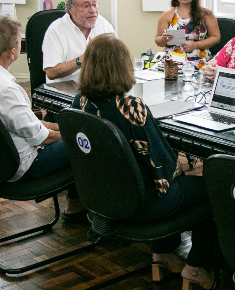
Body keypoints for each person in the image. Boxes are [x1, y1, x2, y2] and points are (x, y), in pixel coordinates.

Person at [73, 33, 215, 289]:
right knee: (213, 185)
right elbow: (164, 168)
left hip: (106, 198)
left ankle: (163, 253)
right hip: (142, 205)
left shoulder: (79, 101)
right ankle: (196, 266)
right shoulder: (132, 107)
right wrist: (189, 163)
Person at [0, 16, 86, 223]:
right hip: (26, 164)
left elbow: (29, 124)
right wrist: (75, 132)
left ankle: (79, 205)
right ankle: (93, 209)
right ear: (12, 50)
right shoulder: (6, 90)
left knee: (75, 132)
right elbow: (42, 138)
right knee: (88, 142)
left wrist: (62, 126)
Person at [43, 0, 115, 84]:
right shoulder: (56, 30)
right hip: (66, 91)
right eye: (86, 6)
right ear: (70, 9)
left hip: (99, 89)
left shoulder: (104, 25)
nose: (93, 10)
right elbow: (51, 72)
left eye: (94, 4)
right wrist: (82, 59)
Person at [155, 0, 220, 66]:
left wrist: (195, 45)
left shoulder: (206, 13)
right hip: (172, 59)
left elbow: (216, 37)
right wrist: (163, 39)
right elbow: (158, 40)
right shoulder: (167, 14)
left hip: (198, 59)